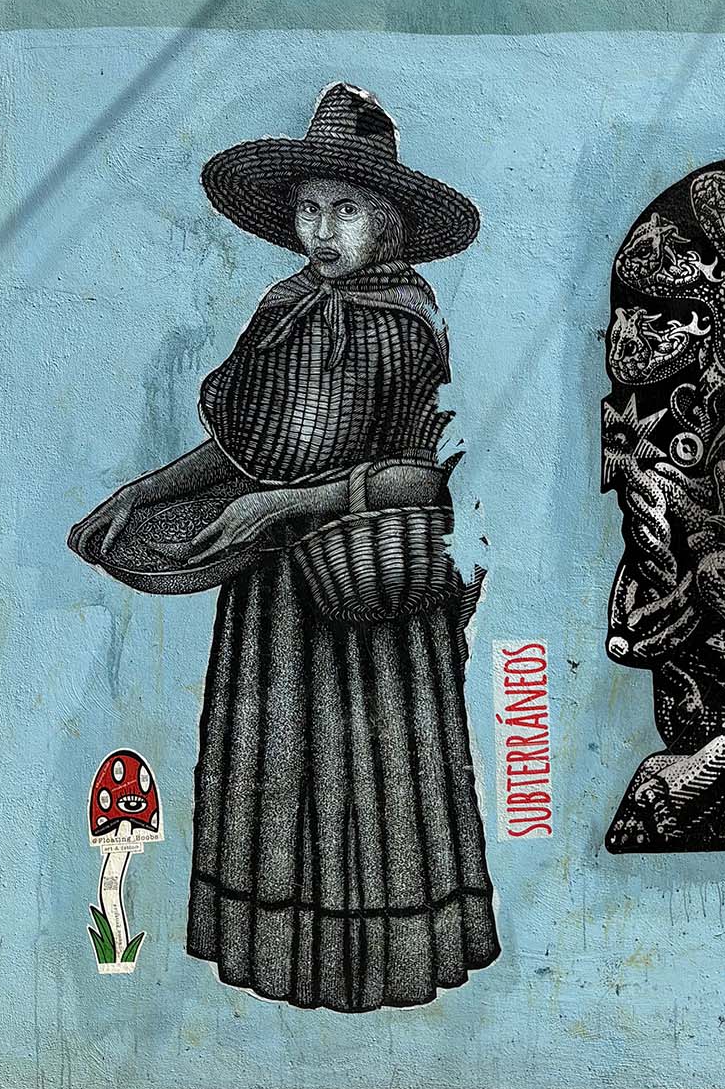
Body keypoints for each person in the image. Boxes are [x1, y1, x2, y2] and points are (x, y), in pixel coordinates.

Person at [72, 84, 499, 1011]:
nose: (322, 231)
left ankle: (382, 966)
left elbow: (420, 481)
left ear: (386, 220)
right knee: (272, 775)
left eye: (345, 209)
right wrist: (143, 491)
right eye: (308, 209)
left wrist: (282, 507)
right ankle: (275, 960)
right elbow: (243, 448)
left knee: (372, 783)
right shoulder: (284, 308)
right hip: (271, 596)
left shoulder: (407, 326)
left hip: (367, 588)